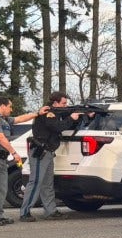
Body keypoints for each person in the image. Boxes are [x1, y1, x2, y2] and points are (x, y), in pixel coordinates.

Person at [0, 95, 44, 227]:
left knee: (1, 188)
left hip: (1, 158)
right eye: (10, 106)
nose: (11, 109)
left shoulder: (3, 119)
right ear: (2, 106)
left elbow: (19, 119)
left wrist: (37, 113)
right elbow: (0, 138)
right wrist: (14, 153)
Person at [19, 91, 80, 222]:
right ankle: (24, 212)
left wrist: (83, 115)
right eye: (63, 103)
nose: (65, 106)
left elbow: (63, 119)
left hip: (48, 152)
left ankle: (50, 211)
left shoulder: (54, 112)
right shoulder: (48, 113)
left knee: (47, 184)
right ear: (55, 103)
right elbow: (57, 127)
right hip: (41, 152)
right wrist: (71, 118)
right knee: (35, 182)